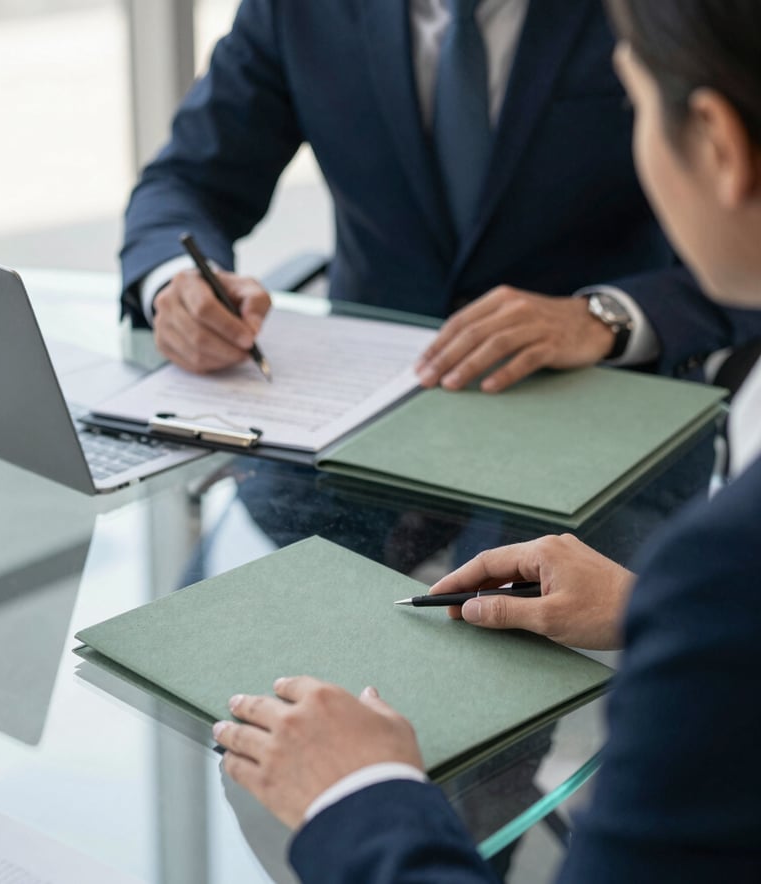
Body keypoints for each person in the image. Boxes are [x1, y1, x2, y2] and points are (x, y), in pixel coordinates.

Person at [211, 1, 761, 880]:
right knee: (231, 644)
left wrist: (362, 797)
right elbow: (192, 171)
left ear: (716, 143)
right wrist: (640, 607)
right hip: (360, 441)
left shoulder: (719, 580)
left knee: (471, 737)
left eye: (636, 105)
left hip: (596, 442)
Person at [120, 0, 761, 385]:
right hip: (350, 407)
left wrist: (606, 317)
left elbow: (747, 223)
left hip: (601, 403)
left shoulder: (665, 16)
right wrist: (177, 284)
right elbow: (187, 180)